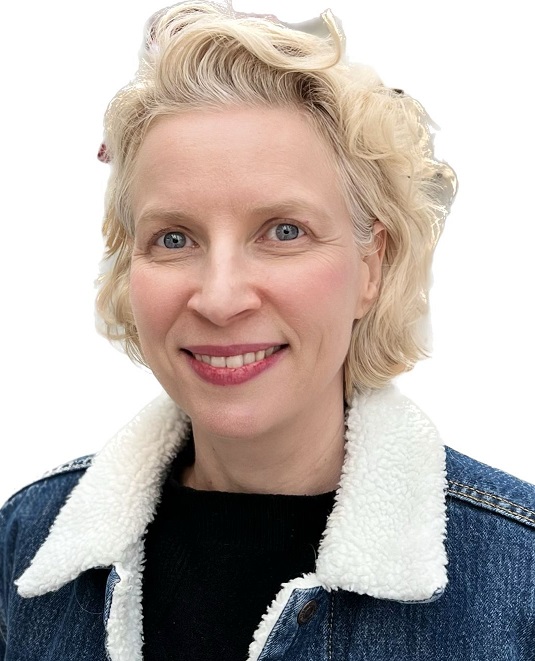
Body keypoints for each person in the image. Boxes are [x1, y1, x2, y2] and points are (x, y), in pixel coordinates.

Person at [1, 2, 534, 659]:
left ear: (370, 267)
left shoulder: (519, 577)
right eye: (174, 238)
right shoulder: (23, 544)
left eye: (284, 231)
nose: (220, 298)